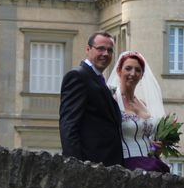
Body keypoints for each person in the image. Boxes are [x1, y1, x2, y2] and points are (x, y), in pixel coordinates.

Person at [59, 31, 124, 166]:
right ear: (88, 49)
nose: (106, 54)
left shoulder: (99, 80)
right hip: (91, 167)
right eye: (100, 48)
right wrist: (75, 166)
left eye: (110, 50)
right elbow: (69, 125)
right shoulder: (77, 76)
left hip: (108, 165)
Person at [107, 51, 170, 173]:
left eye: (138, 70)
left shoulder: (143, 104)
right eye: (128, 68)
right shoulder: (112, 101)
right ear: (119, 71)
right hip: (127, 165)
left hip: (152, 163)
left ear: (141, 75)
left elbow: (146, 136)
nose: (133, 73)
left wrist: (156, 148)